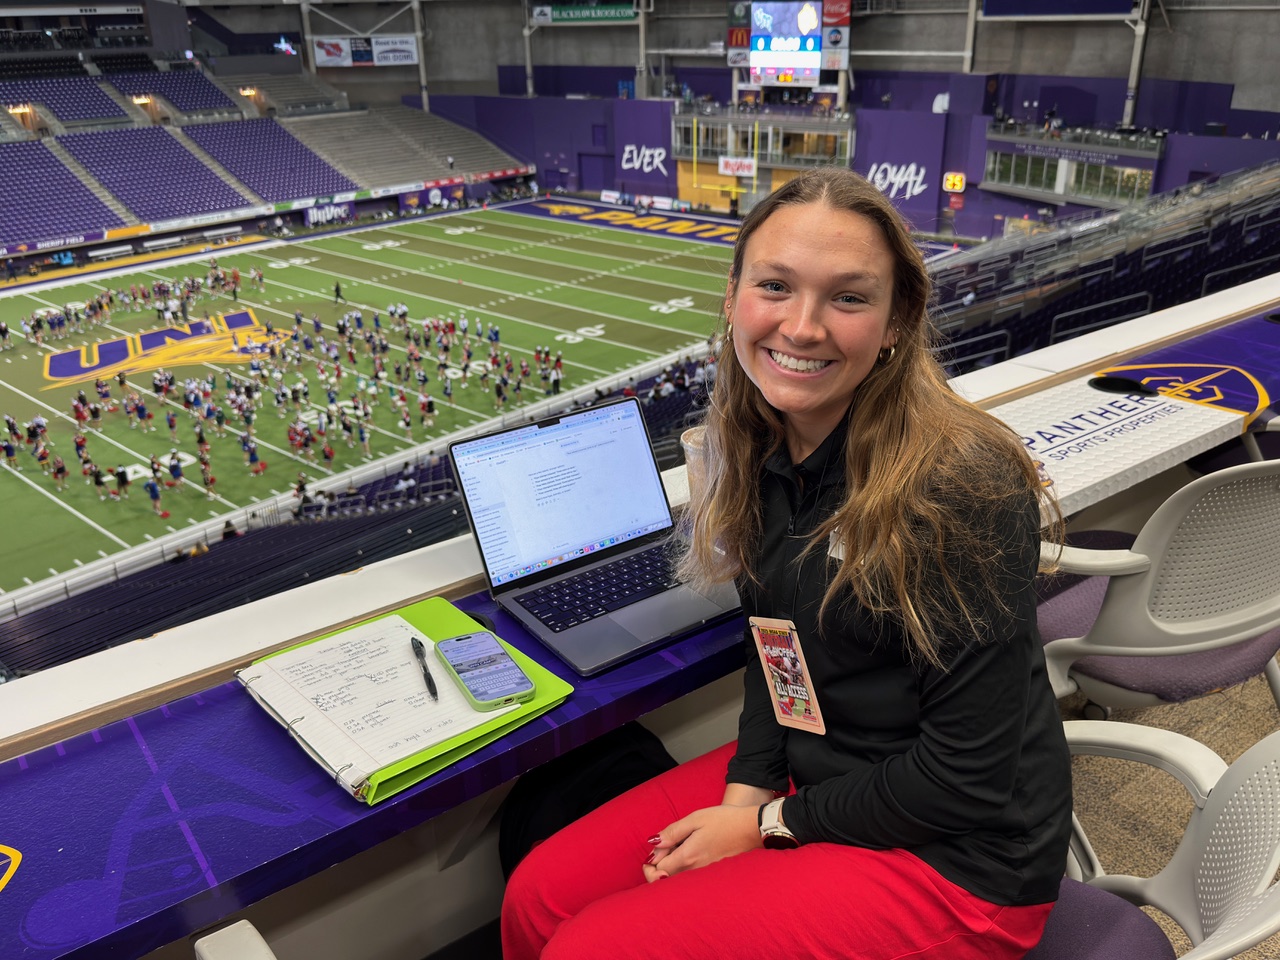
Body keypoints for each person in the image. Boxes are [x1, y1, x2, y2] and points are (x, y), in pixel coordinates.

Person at [501, 167, 1071, 960]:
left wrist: (767, 827)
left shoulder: (958, 484)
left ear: (897, 317)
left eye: (847, 296)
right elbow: (777, 652)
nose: (801, 328)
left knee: (586, 950)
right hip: (819, 775)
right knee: (538, 896)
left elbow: (964, 778)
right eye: (775, 286)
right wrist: (748, 790)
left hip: (957, 856)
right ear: (733, 295)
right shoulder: (759, 444)